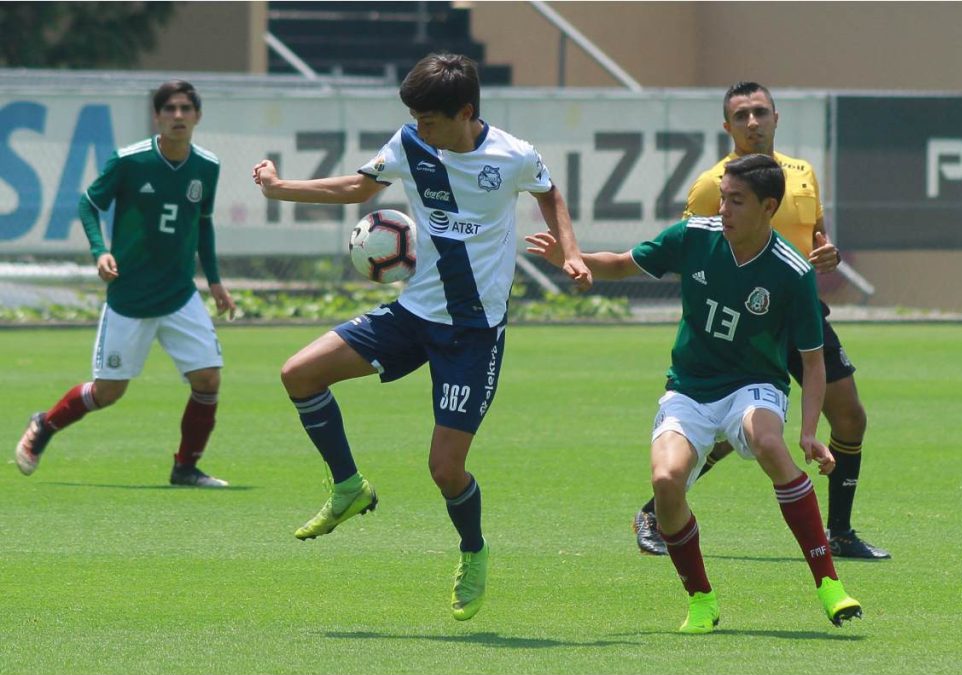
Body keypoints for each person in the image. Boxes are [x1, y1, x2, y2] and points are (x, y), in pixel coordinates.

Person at [251, 53, 592, 622]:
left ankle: (473, 550)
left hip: (473, 335)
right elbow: (359, 188)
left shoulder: (512, 155)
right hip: (412, 316)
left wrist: (572, 253)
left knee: (444, 469)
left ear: (466, 112)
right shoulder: (412, 144)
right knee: (299, 373)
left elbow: (548, 193)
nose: (418, 128)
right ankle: (348, 486)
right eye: (413, 118)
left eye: (428, 119)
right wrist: (281, 188)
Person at [527, 153, 862, 632]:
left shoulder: (793, 272)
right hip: (688, 387)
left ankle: (830, 586)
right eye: (723, 198)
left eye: (737, 201)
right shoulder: (694, 237)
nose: (723, 209)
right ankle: (701, 598)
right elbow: (622, 265)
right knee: (665, 483)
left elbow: (812, 362)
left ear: (769, 207)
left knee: (768, 442)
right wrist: (571, 259)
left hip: (755, 385)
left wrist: (809, 433)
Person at [632, 81, 889, 560]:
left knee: (850, 415)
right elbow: (694, 246)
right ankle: (655, 509)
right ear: (727, 126)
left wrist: (824, 251)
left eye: (761, 113)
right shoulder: (714, 182)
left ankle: (840, 532)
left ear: (776, 118)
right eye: (742, 115)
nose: (753, 123)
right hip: (745, 326)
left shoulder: (802, 172)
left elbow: (815, 236)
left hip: (798, 312)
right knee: (732, 431)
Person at [15, 80, 237, 488]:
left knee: (208, 379)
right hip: (130, 298)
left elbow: (202, 224)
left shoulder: (207, 166)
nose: (178, 116)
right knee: (108, 393)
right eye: (169, 109)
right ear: (157, 116)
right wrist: (100, 249)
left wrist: (216, 282)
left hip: (179, 295)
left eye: (186, 109)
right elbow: (88, 203)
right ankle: (45, 425)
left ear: (197, 116)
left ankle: (185, 468)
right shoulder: (130, 160)